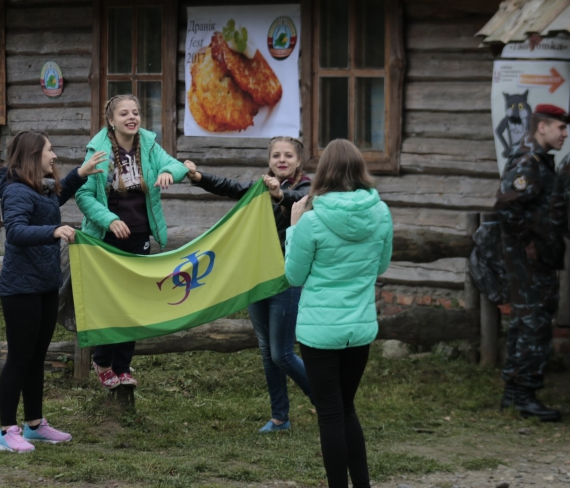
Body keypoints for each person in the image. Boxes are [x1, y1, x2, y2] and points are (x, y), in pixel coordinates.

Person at [183, 136, 313, 433]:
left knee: (283, 354)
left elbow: (298, 202)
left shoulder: (306, 188)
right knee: (268, 352)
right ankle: (280, 417)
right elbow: (232, 188)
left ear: (298, 161)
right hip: (256, 278)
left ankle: (328, 400)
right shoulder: (261, 189)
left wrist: (279, 195)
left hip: (285, 280)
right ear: (269, 160)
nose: (282, 160)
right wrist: (199, 177)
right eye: (276, 155)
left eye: (288, 156)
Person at [285, 139, 392, 488]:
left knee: (330, 414)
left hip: (320, 332)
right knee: (347, 409)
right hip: (358, 329)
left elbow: (294, 276)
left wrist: (293, 226)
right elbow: (381, 265)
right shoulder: (381, 213)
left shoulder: (312, 221)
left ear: (325, 172)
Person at [0, 130, 106, 452]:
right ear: (33, 155)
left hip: (44, 286)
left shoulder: (40, 190)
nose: (54, 156)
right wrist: (54, 230)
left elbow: (53, 202)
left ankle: (34, 425)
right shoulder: (16, 191)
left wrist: (79, 175)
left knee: (36, 358)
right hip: (20, 289)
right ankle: (6, 431)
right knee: (19, 358)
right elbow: (15, 231)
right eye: (49, 150)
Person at [75, 94, 188, 389]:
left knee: (134, 300)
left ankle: (123, 366)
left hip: (139, 237)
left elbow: (178, 166)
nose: (132, 117)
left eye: (135, 112)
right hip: (104, 239)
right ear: (111, 121)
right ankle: (103, 361)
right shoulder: (98, 151)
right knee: (109, 300)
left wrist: (166, 172)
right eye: (124, 113)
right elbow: (83, 195)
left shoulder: (148, 145)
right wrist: (109, 219)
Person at [496, 103, 568, 422]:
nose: (565, 134)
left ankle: (514, 394)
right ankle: (524, 396)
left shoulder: (538, 160)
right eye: (560, 128)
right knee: (534, 323)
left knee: (526, 322)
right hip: (529, 260)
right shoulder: (528, 161)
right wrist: (528, 242)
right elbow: (507, 207)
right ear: (542, 127)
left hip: (537, 257)